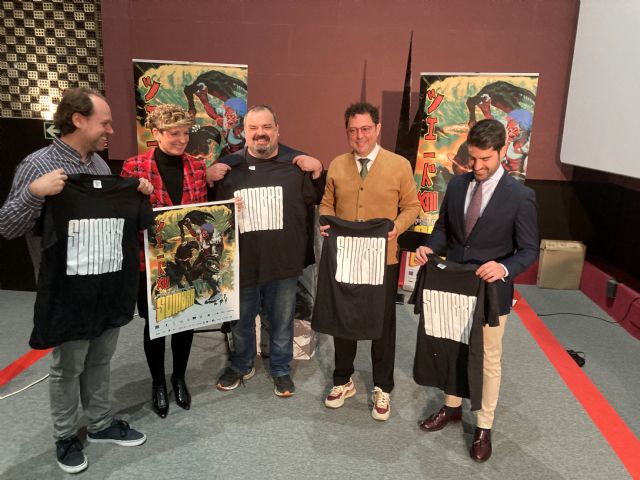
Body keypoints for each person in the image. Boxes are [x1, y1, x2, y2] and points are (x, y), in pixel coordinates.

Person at [0, 87, 152, 474]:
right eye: (105, 123)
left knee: (100, 357)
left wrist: (137, 193)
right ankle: (65, 435)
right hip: (67, 291)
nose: (111, 131)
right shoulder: (37, 165)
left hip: (106, 284)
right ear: (79, 120)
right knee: (68, 366)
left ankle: (100, 424)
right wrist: (34, 193)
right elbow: (7, 226)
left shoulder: (99, 166)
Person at [414, 118, 539, 462]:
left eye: (485, 159)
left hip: (491, 290)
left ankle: (484, 425)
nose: (477, 166)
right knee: (453, 347)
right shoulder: (457, 185)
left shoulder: (521, 196)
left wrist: (504, 267)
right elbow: (444, 229)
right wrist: (429, 248)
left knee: (487, 359)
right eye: (473, 158)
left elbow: (530, 249)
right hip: (454, 285)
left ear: (501, 151)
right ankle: (452, 406)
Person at [209, 104, 325, 397]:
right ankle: (241, 364)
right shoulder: (227, 168)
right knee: (241, 321)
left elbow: (320, 198)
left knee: (282, 321)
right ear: (244, 132)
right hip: (241, 262)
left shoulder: (297, 164)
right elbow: (209, 214)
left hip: (283, 263)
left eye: (266, 127)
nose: (260, 133)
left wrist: (318, 170)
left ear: (277, 130)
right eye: (253, 128)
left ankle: (281, 368)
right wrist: (207, 179)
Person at [318, 102, 420, 421]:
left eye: (365, 129)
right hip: (346, 256)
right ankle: (343, 380)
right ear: (346, 132)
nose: (359, 136)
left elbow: (412, 207)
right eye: (353, 130)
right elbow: (327, 204)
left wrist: (396, 228)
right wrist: (325, 221)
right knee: (343, 318)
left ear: (378, 129)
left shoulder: (399, 165)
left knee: (382, 324)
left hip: (383, 258)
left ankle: (382, 386)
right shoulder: (337, 165)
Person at [121, 104, 208, 418]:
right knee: (155, 325)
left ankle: (178, 378)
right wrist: (134, 195)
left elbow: (203, 211)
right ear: (156, 133)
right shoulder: (134, 167)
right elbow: (123, 216)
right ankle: (158, 382)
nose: (182, 139)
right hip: (150, 263)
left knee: (185, 321)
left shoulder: (197, 166)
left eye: (185, 133)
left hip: (186, 262)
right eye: (174, 133)